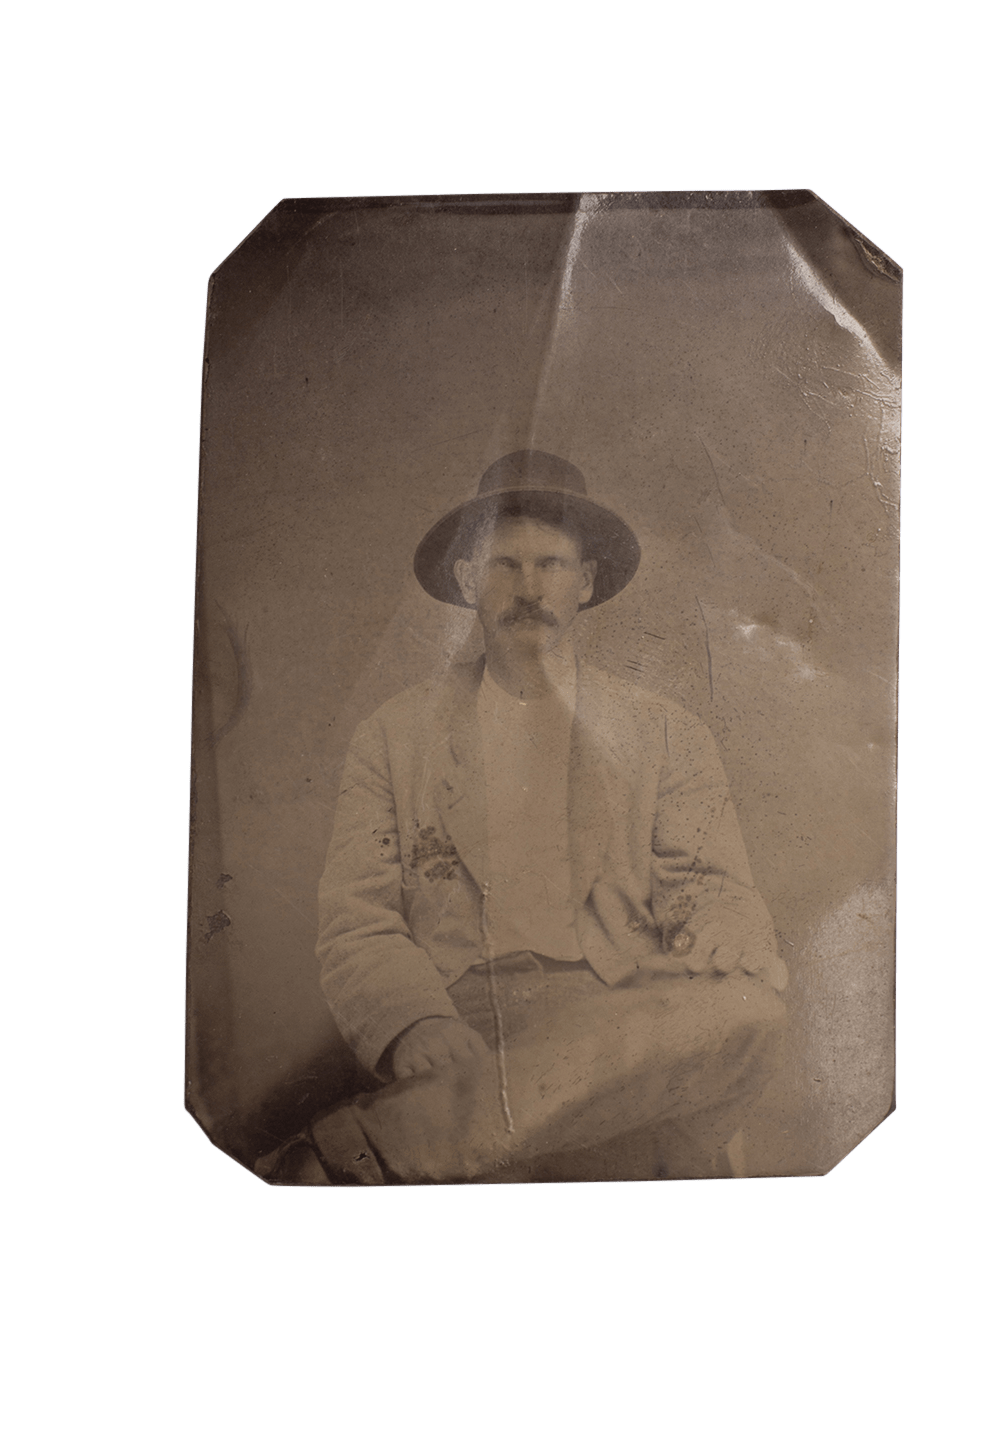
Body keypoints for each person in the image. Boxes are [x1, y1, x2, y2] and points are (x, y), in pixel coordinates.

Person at [257, 450, 788, 1186]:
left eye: (552, 565)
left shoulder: (669, 734)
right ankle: (503, 1137)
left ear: (587, 584)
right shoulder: (396, 734)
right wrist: (418, 1023)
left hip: (623, 1018)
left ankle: (370, 1151)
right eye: (504, 565)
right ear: (468, 580)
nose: (529, 589)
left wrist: (726, 925)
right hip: (468, 1023)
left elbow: (711, 889)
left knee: (751, 1014)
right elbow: (359, 919)